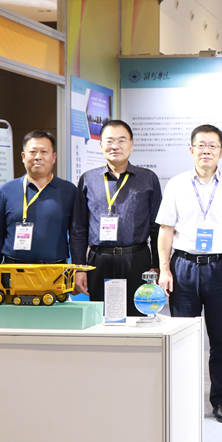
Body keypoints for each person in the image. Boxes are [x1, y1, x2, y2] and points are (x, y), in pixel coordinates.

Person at [156, 124, 222, 424]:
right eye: (201, 145)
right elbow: (166, 230)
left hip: (221, 267)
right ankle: (183, 400)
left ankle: (221, 401)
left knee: (221, 340)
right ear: (191, 149)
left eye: (212, 146)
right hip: (184, 267)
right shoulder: (177, 184)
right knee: (182, 337)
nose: (206, 150)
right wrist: (164, 269)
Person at [71, 120, 162, 317]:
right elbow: (78, 228)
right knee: (102, 318)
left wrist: (157, 265)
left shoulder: (148, 178)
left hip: (137, 259)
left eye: (121, 140)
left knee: (138, 317)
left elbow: (156, 227)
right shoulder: (88, 179)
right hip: (99, 260)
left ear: (131, 144)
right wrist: (79, 268)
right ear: (101, 145)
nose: (115, 146)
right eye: (110, 141)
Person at [0, 131, 76, 265]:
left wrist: (79, 268)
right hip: (13, 268)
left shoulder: (69, 190)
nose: (38, 157)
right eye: (33, 152)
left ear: (53, 157)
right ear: (23, 156)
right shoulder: (6, 190)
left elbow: (76, 235)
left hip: (55, 269)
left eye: (44, 152)